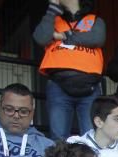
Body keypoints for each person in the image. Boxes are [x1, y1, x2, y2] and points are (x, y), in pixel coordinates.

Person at [32, 0, 105, 140]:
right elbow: (40, 38)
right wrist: (52, 8)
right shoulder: (52, 20)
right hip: (58, 85)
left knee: (92, 137)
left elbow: (97, 38)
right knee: (58, 137)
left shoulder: (95, 20)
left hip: (90, 86)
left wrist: (63, 36)